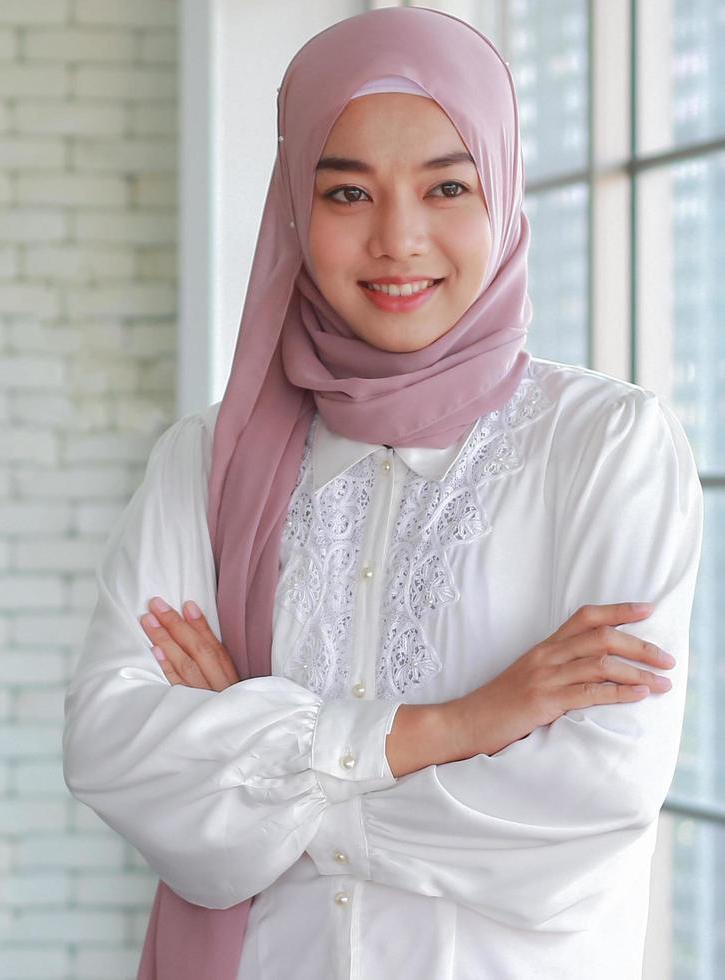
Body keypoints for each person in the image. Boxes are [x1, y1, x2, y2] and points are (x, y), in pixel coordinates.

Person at [61, 7, 704, 980]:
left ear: (503, 187)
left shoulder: (606, 448)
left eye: (447, 184)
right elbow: (113, 749)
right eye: (348, 191)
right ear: (293, 207)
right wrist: (458, 725)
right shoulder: (209, 457)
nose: (397, 239)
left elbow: (585, 811)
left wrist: (260, 758)